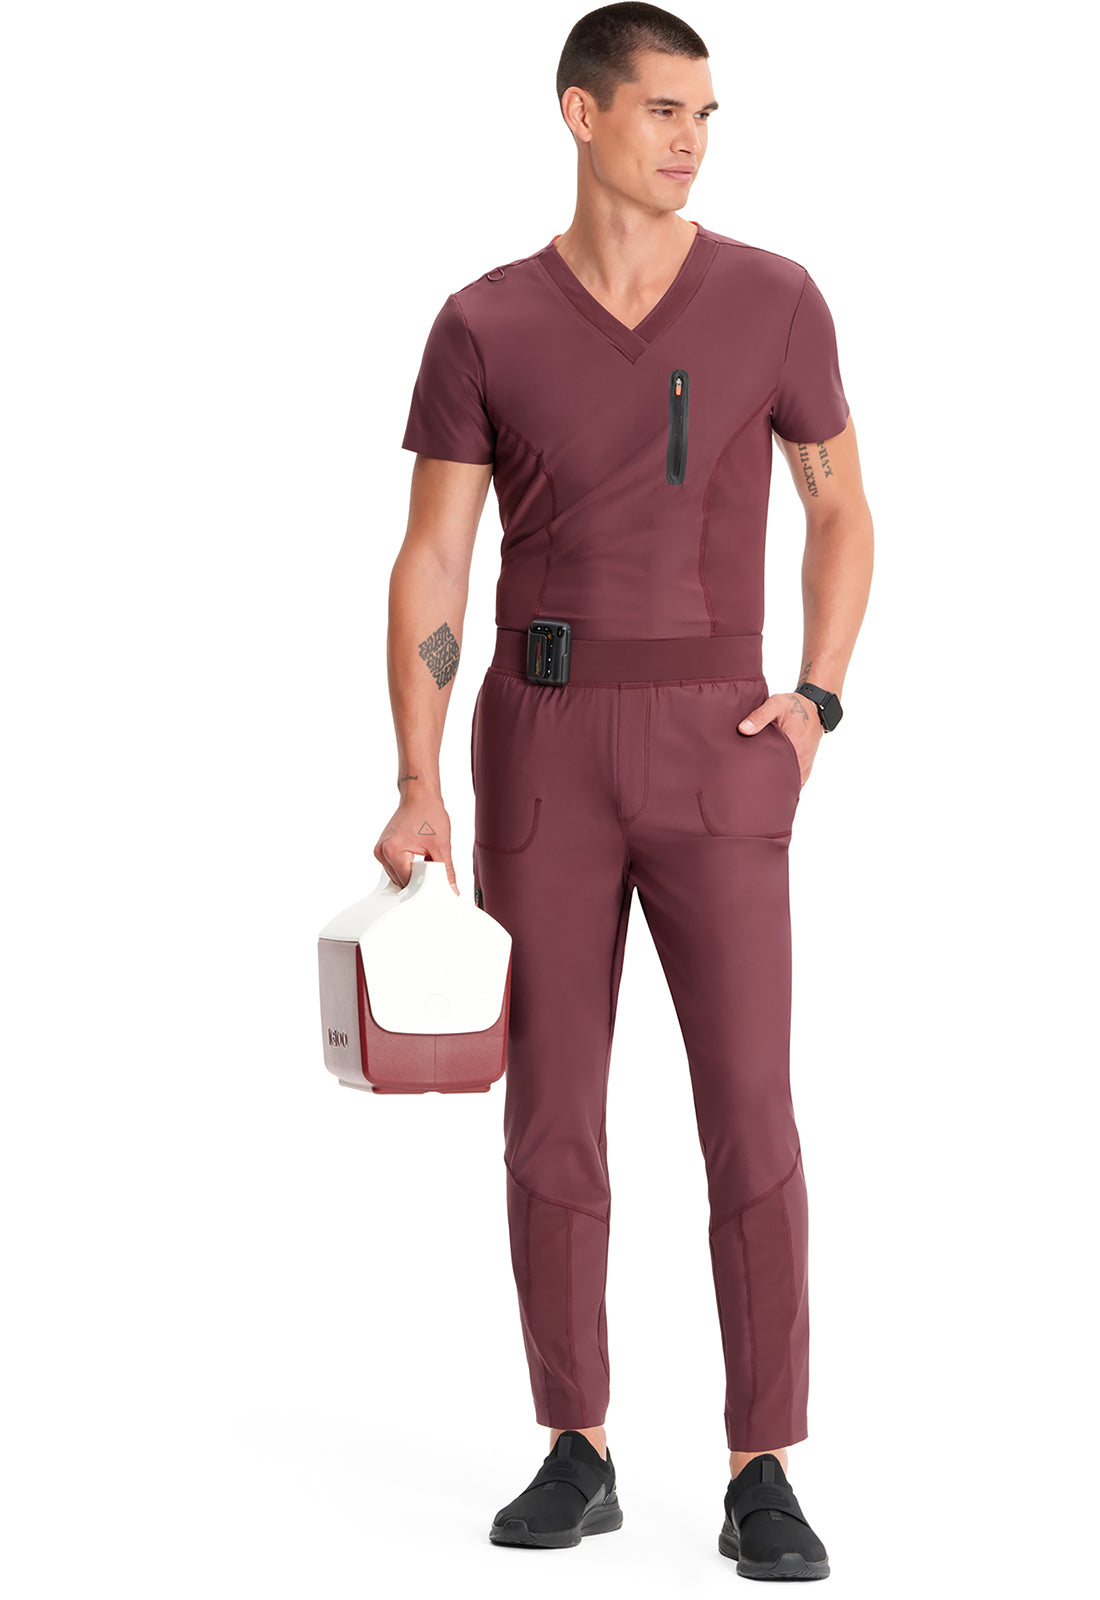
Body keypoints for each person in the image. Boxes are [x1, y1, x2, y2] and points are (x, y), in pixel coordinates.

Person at [375, 2, 873, 1577]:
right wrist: (417, 778)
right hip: (542, 741)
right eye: (664, 109)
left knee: (750, 1109)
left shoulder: (775, 299)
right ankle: (576, 1443)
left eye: (707, 115)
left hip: (722, 740)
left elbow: (842, 507)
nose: (691, 141)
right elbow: (434, 556)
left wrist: (815, 698)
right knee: (550, 1110)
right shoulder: (485, 323)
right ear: (581, 113)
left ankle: (763, 1464)